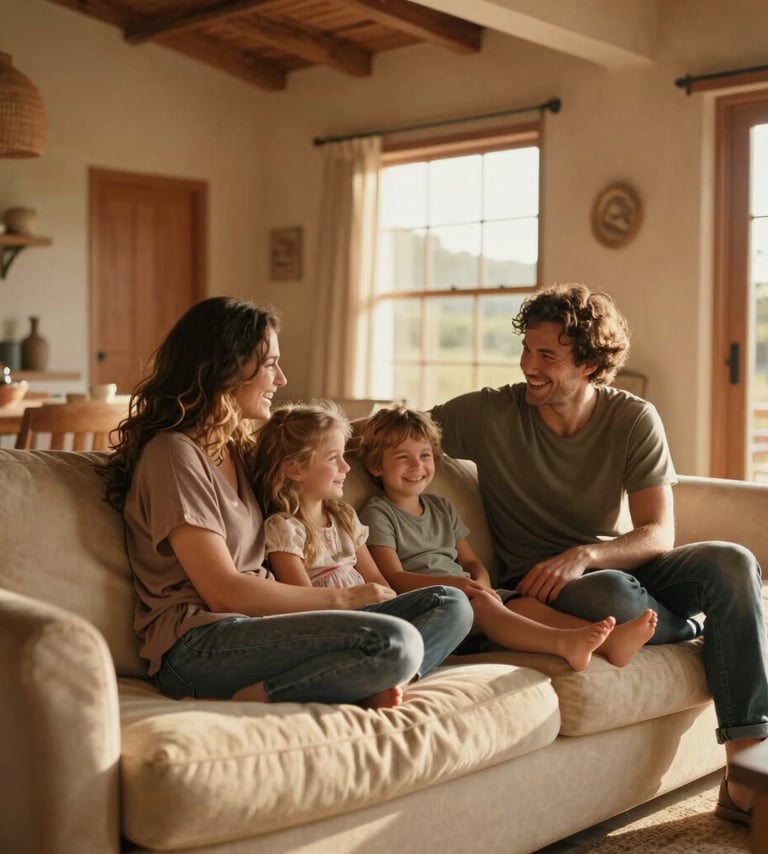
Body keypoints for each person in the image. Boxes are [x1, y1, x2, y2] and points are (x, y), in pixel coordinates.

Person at [428, 282, 768, 823]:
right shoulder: (489, 414)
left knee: (733, 561)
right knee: (612, 595)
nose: (528, 366)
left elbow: (658, 533)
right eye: (526, 350)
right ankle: (704, 626)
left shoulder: (632, 418)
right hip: (544, 586)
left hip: (615, 565)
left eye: (547, 356)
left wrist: (586, 554)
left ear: (588, 364)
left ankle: (746, 773)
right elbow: (393, 432)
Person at [101, 296, 473, 710]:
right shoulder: (174, 455)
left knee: (451, 604)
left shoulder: (237, 447)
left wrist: (386, 433)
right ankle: (322, 682)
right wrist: (345, 599)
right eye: (270, 364)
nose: (281, 378)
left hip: (270, 628)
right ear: (228, 368)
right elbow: (223, 591)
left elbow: (313, 445)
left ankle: (377, 677)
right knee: (394, 639)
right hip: (200, 644)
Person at [357, 404, 658, 671]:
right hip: (435, 606)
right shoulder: (378, 513)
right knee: (490, 607)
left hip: (472, 595)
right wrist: (458, 585)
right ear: (375, 466)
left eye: (424, 455)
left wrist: (481, 581)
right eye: (402, 457)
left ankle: (604, 640)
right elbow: (393, 576)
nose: (417, 466)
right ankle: (567, 644)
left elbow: (471, 560)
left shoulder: (441, 508)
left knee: (524, 604)